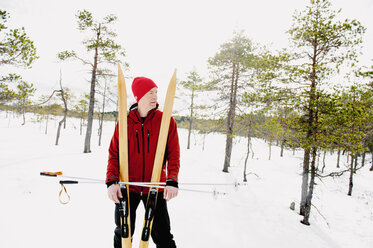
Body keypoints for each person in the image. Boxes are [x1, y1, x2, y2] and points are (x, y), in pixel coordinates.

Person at [106, 76, 180, 248]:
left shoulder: (166, 120)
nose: (155, 96)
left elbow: (173, 154)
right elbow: (114, 154)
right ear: (139, 97)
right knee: (122, 233)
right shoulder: (125, 122)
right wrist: (111, 181)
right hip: (127, 185)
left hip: (155, 185)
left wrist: (172, 180)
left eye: (156, 92)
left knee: (163, 236)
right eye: (150, 93)